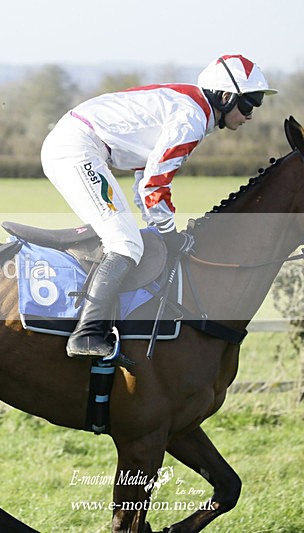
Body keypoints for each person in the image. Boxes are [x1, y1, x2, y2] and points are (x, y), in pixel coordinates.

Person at [40, 54, 277, 363]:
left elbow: (145, 178)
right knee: (124, 243)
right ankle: (86, 334)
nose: (250, 115)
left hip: (80, 145)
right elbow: (154, 183)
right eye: (249, 104)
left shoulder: (193, 110)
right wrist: (168, 234)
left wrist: (159, 227)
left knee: (127, 238)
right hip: (78, 148)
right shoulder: (191, 118)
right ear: (225, 96)